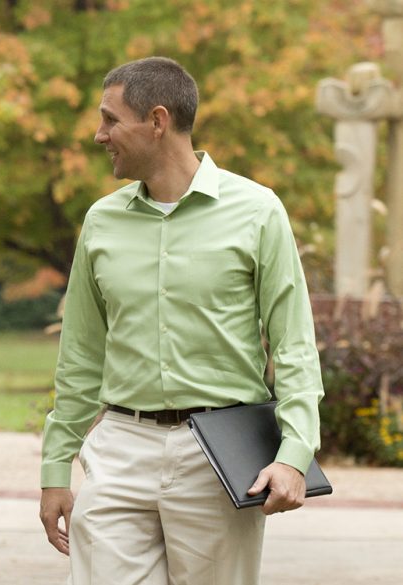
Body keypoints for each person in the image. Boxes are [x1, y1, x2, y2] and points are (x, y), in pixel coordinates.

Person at [38, 56, 324, 584]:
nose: (99, 135)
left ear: (158, 121)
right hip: (120, 445)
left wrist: (294, 453)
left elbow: (294, 347)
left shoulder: (259, 211)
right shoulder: (101, 221)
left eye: (109, 119)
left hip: (218, 455)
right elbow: (80, 355)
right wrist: (56, 469)